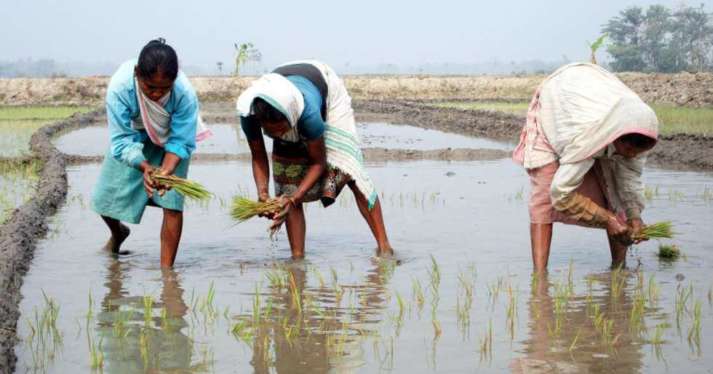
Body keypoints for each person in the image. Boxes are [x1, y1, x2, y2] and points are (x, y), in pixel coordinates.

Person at [236, 60, 392, 259]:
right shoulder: (249, 115)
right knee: (286, 186)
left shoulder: (308, 114)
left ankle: (384, 247)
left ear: (291, 118)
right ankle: (297, 259)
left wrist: (295, 199)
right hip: (285, 88)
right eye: (270, 132)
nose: (278, 136)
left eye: (282, 130)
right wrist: (263, 194)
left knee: (351, 172)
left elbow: (318, 162)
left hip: (327, 92)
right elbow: (258, 155)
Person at [513, 63, 658, 271]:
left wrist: (635, 216)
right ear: (616, 136)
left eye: (637, 151)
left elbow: (629, 179)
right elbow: (560, 193)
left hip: (593, 95)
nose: (632, 155)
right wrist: (607, 218)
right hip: (560, 101)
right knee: (545, 194)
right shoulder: (585, 135)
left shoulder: (640, 129)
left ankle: (619, 270)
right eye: (628, 148)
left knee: (615, 194)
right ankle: (540, 278)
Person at [91, 38, 210, 267]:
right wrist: (144, 167)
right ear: (137, 74)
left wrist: (164, 172)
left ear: (174, 80)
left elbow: (180, 140)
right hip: (133, 137)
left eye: (164, 89)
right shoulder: (120, 87)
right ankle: (118, 233)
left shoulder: (184, 93)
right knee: (105, 198)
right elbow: (122, 140)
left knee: (172, 204)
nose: (156, 94)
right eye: (150, 87)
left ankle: (167, 272)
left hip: (170, 140)